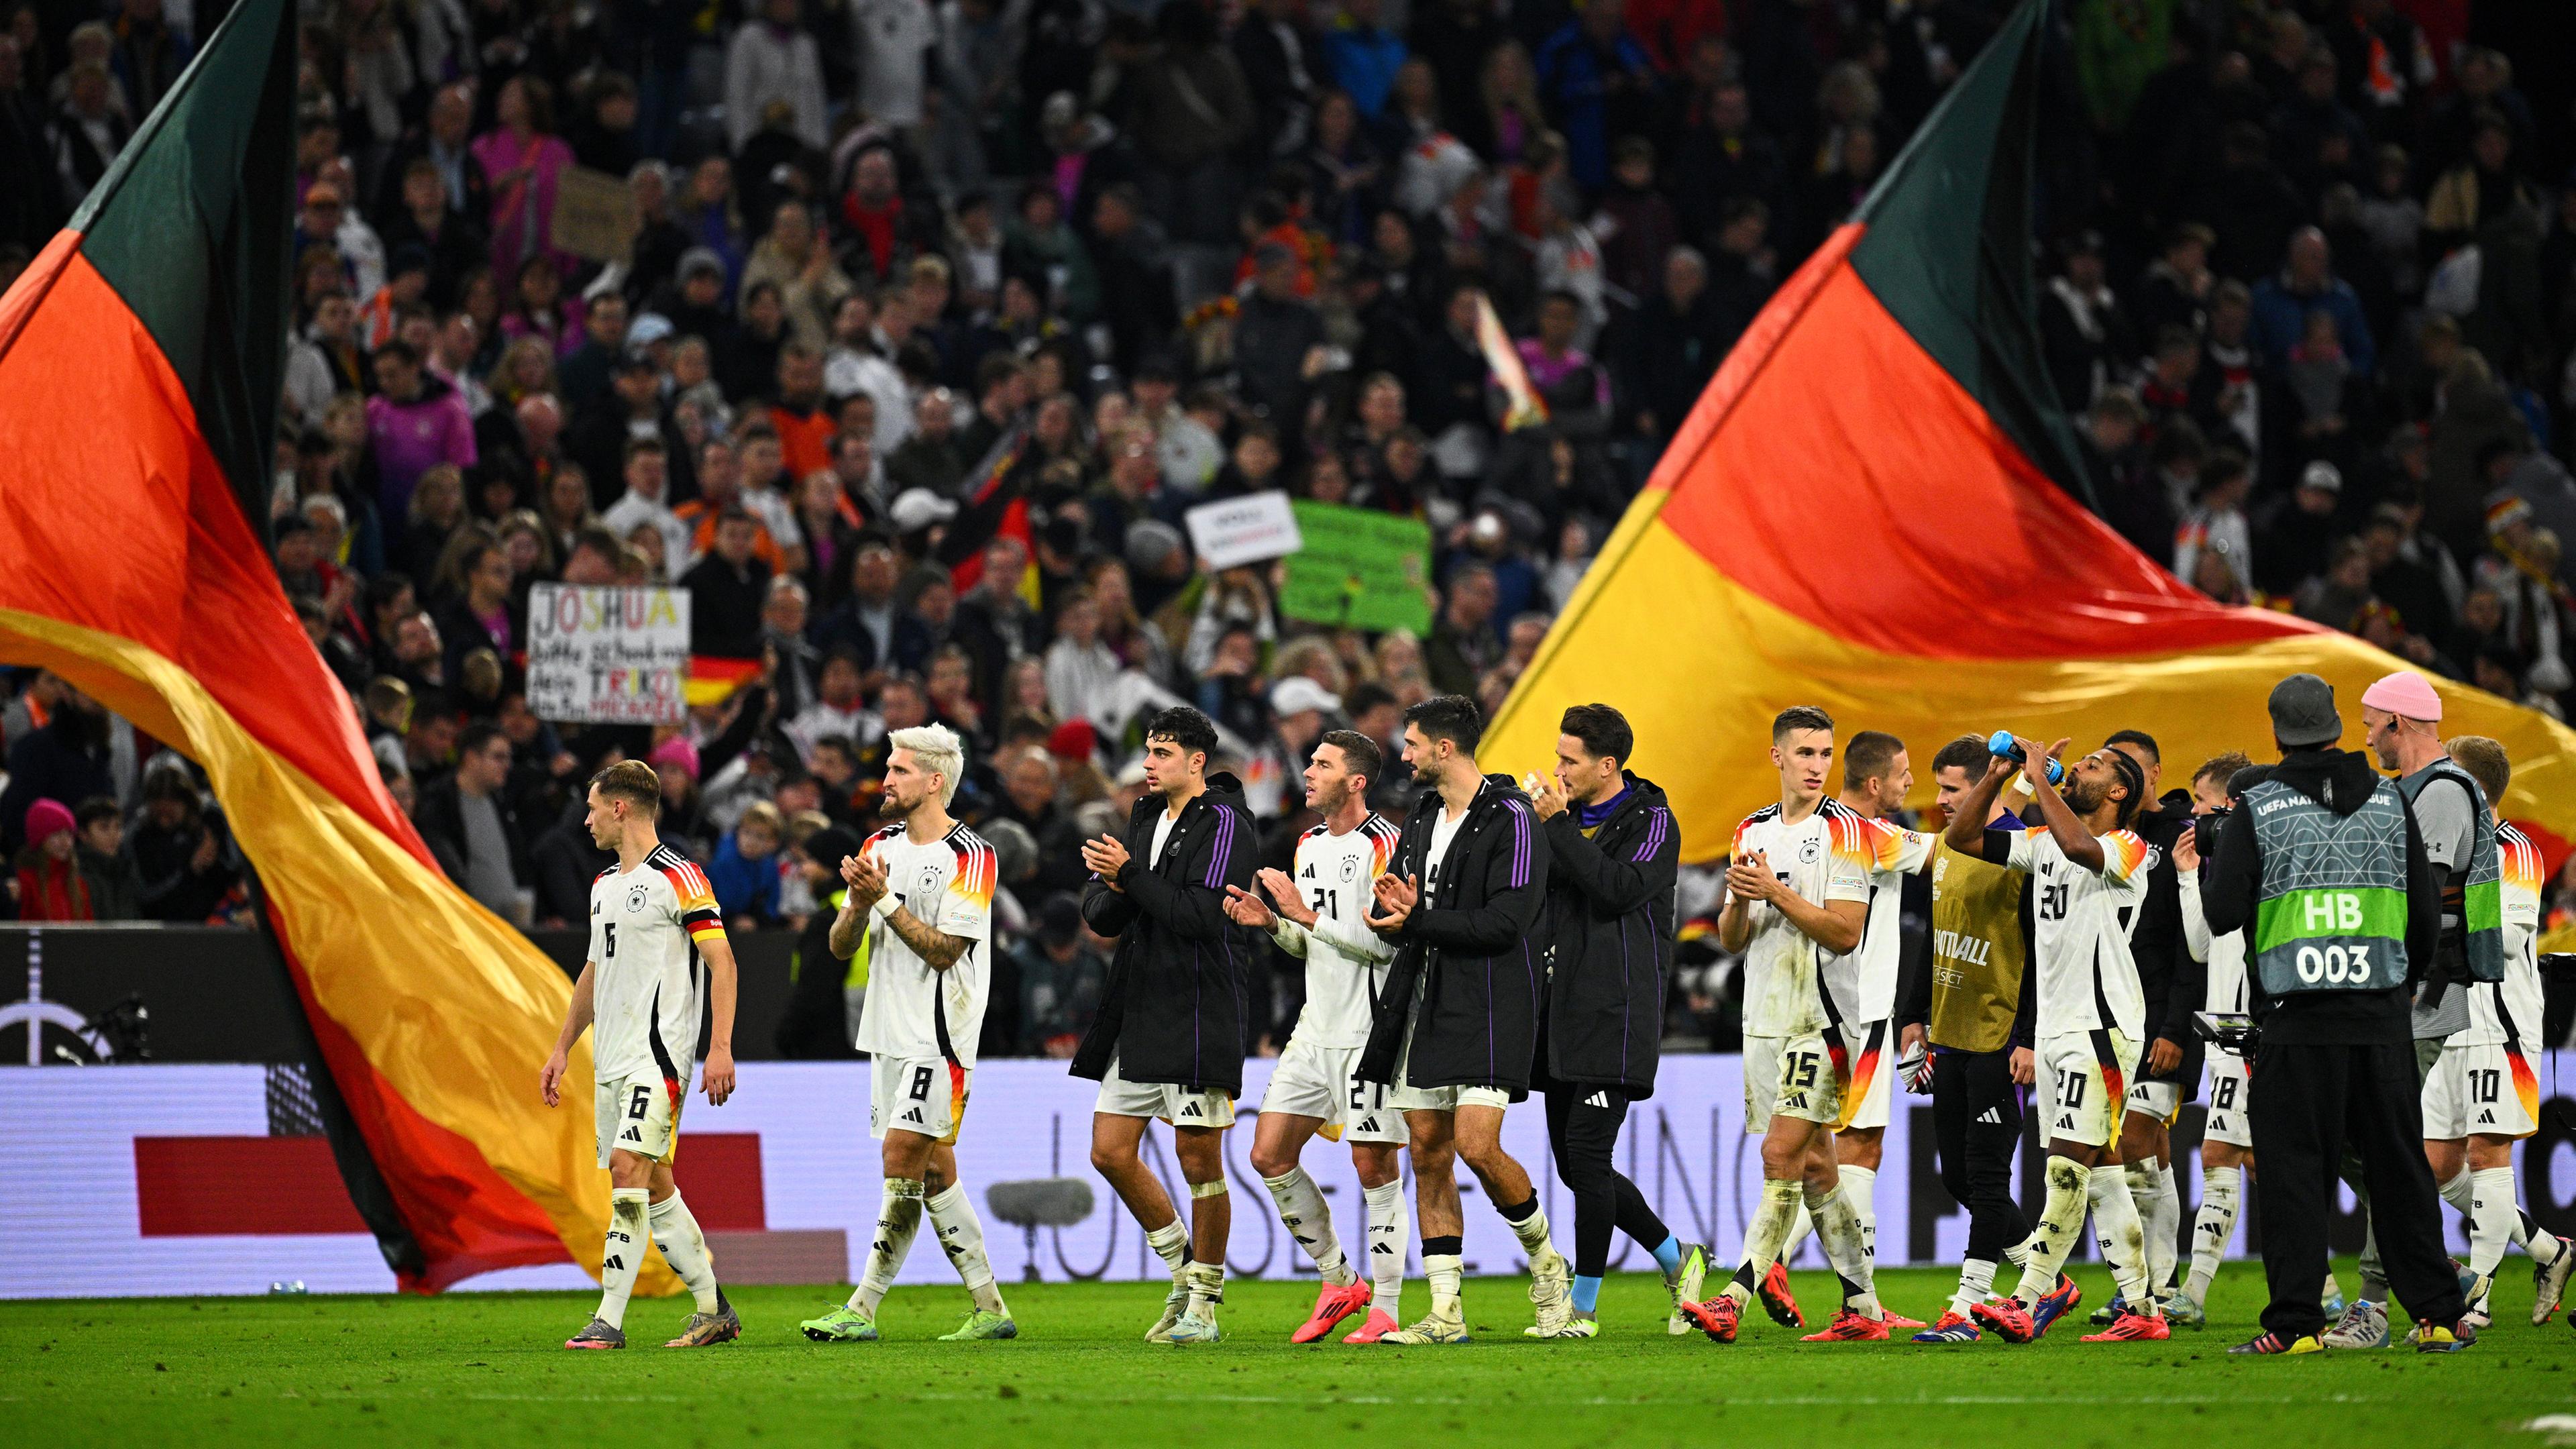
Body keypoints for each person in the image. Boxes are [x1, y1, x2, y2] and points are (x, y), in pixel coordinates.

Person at [2198, 673, 2471, 1355]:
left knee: (2295, 1176)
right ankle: (2437, 1316)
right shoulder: (2388, 800)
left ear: (2277, 733)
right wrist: (2394, 985)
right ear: (2337, 728)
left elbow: (2223, 913)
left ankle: (2297, 1328)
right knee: (2400, 1169)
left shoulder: (2258, 809)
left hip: (2298, 1020)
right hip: (2380, 1017)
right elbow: (2423, 917)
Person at [1940, 731, 2165, 1343]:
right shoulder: (2038, 843)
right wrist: (1997, 774)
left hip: (2101, 1027)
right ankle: (2143, 1311)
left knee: (2066, 1165)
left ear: (2119, 790)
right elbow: (1960, 838)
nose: (2080, 767)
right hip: (2057, 1027)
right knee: (2104, 1173)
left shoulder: (2128, 846)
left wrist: (2038, 778)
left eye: (2094, 765)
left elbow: (2081, 847)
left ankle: (2028, 1296)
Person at [798, 725, 1016, 1344]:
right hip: (888, 1033)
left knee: (900, 1160)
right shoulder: (878, 845)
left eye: (898, 771)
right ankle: (991, 1308)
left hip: (940, 1036)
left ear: (935, 781)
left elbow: (948, 952)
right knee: (936, 1171)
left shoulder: (972, 855)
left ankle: (861, 1308)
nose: (886, 781)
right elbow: (842, 946)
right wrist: (860, 906)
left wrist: (886, 900)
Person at [1679, 706, 1883, 1345]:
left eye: (1826, 754)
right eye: (1805, 753)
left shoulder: (1850, 833)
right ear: (1778, 757)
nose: (1818, 766)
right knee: (1818, 1169)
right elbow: (1733, 938)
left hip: (1822, 1022)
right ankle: (1864, 1310)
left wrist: (1776, 892)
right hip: (1764, 1020)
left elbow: (1846, 933)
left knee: (1778, 1154)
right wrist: (1740, 898)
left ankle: (1733, 1297)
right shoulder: (1752, 830)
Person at [1071, 706, 1260, 1344]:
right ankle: (1184, 1271)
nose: (1148, 765)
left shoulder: (1228, 823)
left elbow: (1199, 916)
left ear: (1196, 761)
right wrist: (1116, 883)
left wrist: (1126, 876)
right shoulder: (1146, 816)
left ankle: (1204, 1305)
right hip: (1139, 1004)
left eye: (1161, 754)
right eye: (1147, 752)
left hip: (1200, 1008)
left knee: (1199, 1159)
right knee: (1110, 1152)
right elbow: (1103, 913)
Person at [538, 760, 741, 1350]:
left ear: (620, 808)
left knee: (627, 1170)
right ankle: (714, 1312)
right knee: (652, 1187)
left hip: (659, 1060)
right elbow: (594, 973)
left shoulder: (680, 877)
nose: (587, 818)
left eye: (593, 806)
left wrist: (720, 1048)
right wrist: (561, 1047)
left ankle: (609, 1319)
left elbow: (721, 961)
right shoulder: (605, 886)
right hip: (613, 1061)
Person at [1218, 730, 1409, 1344]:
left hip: (1369, 1031)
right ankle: (1339, 1278)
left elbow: (1387, 945)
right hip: (1314, 1027)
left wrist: (1306, 916)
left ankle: (1386, 1308)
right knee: (1268, 1155)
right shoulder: (1305, 843)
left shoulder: (1386, 845)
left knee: (1373, 1165)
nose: (1308, 772)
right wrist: (1274, 924)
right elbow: (1309, 943)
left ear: (1356, 781)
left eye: (1323, 765)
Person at [2335, 667, 2499, 1347]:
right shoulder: (2409, 790)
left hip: (2418, 995)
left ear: (2399, 723)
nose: (2367, 734)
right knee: (2350, 1138)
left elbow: (2419, 901)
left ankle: (2374, 1305)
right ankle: (2431, 1265)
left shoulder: (2442, 794)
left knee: (2384, 1143)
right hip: (2389, 991)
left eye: (2373, 722)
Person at [1524, 704, 1699, 1338]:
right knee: (1574, 1168)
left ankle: (1585, 1305)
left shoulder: (1653, 821)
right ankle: (1679, 1258)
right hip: (1559, 1013)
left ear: (1607, 765)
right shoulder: (1557, 822)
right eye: (1558, 756)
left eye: (1570, 760)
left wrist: (1557, 828)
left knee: (1589, 1159)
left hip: (1618, 1013)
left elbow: (1619, 890)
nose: (1559, 770)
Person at [2427, 735, 2574, 1327]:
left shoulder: (2514, 849)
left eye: (2448, 776)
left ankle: (2478, 1298)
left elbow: (2509, 940)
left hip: (2499, 1022)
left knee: (2489, 1154)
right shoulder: (2441, 846)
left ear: (2474, 787)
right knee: (2436, 1164)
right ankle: (2548, 1249)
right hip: (2446, 1018)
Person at [1900, 736, 2036, 1343]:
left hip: (1999, 1037)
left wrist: (2027, 1037)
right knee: (1956, 1177)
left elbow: (2042, 950)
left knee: (1985, 1179)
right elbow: (1931, 936)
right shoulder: (1949, 849)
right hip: (1950, 1035)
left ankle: (1967, 1308)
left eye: (1953, 789)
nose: (1942, 801)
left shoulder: (2023, 850)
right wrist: (1913, 1017)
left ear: (1988, 782)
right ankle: (2044, 1277)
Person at [2096, 729, 2198, 1322]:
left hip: (2161, 1017)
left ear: (2156, 773)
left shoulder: (2178, 835)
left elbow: (2192, 946)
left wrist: (2177, 1029)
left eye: (2135, 768)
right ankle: (2162, 1285)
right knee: (2152, 1151)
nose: (2126, 779)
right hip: (2111, 1015)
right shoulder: (2101, 837)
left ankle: (2144, 1284)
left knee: (2131, 1144)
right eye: (2117, 768)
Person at [2171, 752, 2259, 1329]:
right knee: (2248, 1159)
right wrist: (2186, 876)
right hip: (2226, 1028)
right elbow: (2204, 946)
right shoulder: (2219, 862)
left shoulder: (2257, 853)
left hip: (2251, 1029)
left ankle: (2194, 1292)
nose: (2194, 815)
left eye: (2200, 803)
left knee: (2228, 1155)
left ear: (2227, 803)